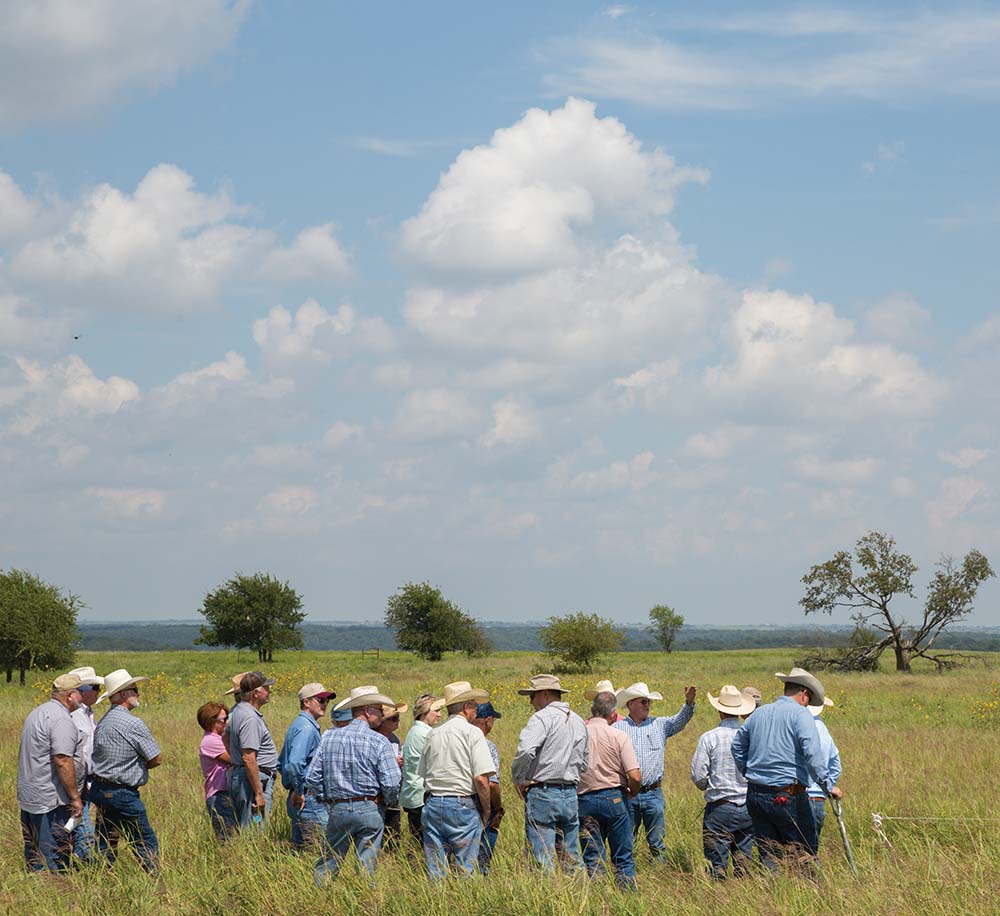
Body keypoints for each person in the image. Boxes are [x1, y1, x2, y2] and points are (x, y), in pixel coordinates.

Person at [731, 668, 842, 872]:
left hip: (756, 794)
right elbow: (811, 753)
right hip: (788, 795)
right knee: (803, 854)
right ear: (804, 694)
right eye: (808, 699)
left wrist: (749, 770)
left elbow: (736, 746)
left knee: (769, 854)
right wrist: (827, 786)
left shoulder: (758, 714)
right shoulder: (801, 714)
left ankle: (773, 897)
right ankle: (805, 896)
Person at [306, 686, 402, 886]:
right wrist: (384, 801)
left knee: (329, 861)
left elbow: (312, 776)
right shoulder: (379, 741)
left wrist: (329, 799)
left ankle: (318, 899)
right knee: (367, 865)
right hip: (369, 807)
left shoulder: (329, 736)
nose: (382, 714)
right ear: (367, 711)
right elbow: (392, 782)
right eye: (379, 709)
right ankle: (366, 903)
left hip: (338, 808)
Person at [511, 674, 589, 873]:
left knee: (542, 859)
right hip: (570, 793)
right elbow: (585, 762)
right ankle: (578, 897)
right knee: (571, 857)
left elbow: (526, 750)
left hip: (543, 792)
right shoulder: (579, 721)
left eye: (532, 696)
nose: (530, 701)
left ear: (544, 694)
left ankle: (548, 900)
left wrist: (520, 779)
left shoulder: (541, 718)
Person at [417, 681, 495, 880]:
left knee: (436, 869)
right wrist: (486, 810)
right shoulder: (473, 733)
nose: (476, 709)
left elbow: (423, 774)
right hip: (463, 805)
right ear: (466, 707)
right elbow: (481, 778)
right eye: (474, 705)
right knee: (466, 868)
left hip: (434, 802)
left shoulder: (433, 734)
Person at [613, 680, 696, 860]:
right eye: (643, 701)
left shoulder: (660, 724)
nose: (647, 705)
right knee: (628, 839)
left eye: (648, 701)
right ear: (630, 704)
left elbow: (680, 720)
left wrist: (689, 703)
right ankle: (628, 876)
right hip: (628, 793)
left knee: (657, 841)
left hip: (653, 792)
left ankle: (661, 873)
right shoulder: (617, 729)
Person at [89, 669, 162, 873]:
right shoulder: (132, 722)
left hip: (100, 789)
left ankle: (102, 878)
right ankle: (154, 880)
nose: (138, 694)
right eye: (134, 690)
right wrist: (140, 766)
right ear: (122, 695)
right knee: (144, 840)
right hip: (122, 792)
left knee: (106, 838)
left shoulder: (104, 721)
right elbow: (156, 758)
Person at [17, 672, 85, 873]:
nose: (82, 696)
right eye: (80, 691)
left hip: (31, 794)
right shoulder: (61, 719)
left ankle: (35, 895)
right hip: (50, 799)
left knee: (34, 852)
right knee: (52, 855)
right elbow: (63, 760)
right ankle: (54, 892)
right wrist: (75, 798)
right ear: (71, 695)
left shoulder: (38, 712)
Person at [690, 685, 756, 879]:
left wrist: (708, 785)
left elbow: (698, 776)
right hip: (748, 807)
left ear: (719, 709)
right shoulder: (750, 736)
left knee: (716, 865)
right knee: (744, 862)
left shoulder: (709, 738)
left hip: (719, 807)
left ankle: (717, 899)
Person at [577, 690, 641, 890]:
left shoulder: (578, 736)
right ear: (613, 714)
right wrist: (632, 792)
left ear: (591, 710)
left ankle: (599, 899)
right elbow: (635, 775)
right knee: (622, 857)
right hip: (614, 797)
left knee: (593, 858)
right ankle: (627, 898)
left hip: (584, 799)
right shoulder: (619, 736)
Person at [279, 683, 336, 848]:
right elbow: (294, 763)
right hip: (308, 798)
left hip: (302, 797)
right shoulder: (306, 728)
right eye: (321, 700)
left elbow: (280, 761)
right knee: (320, 850)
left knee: (301, 849)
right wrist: (298, 791)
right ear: (306, 702)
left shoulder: (300, 724)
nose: (325, 704)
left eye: (327, 700)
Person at [225, 671, 278, 830]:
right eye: (266, 688)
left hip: (244, 778)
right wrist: (259, 793)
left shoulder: (238, 711)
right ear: (256, 693)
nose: (269, 691)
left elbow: (225, 737)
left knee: (247, 827)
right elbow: (249, 757)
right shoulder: (250, 718)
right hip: (253, 781)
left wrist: (235, 760)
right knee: (255, 831)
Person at [66, 665, 105, 862]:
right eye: (96, 687)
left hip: (88, 779)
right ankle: (86, 865)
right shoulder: (74, 716)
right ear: (84, 691)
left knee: (81, 824)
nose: (99, 692)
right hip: (76, 780)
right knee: (83, 826)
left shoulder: (88, 714)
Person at [400, 693, 445, 846]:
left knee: (419, 841)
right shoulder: (426, 733)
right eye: (436, 710)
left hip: (413, 794)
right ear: (425, 711)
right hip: (421, 796)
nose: (439, 714)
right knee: (425, 843)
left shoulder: (415, 731)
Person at [472, 701, 504, 875]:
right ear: (488, 720)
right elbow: (492, 783)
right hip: (482, 803)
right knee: (482, 854)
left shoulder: (460, 740)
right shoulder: (489, 747)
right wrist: (496, 808)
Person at [197, 701, 236, 840]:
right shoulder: (210, 741)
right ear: (211, 722)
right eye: (223, 719)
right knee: (228, 837)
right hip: (219, 795)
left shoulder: (217, 738)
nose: (226, 722)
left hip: (224, 792)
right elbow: (233, 759)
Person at [806, 696, 841, 842]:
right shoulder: (823, 729)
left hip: (794, 795)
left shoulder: (792, 726)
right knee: (810, 852)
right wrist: (827, 787)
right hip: (817, 798)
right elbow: (836, 766)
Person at [376, 703, 406, 850]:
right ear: (382, 721)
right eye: (393, 718)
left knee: (393, 836)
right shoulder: (374, 738)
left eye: (398, 717)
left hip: (393, 794)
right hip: (377, 795)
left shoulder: (395, 739)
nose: (397, 721)